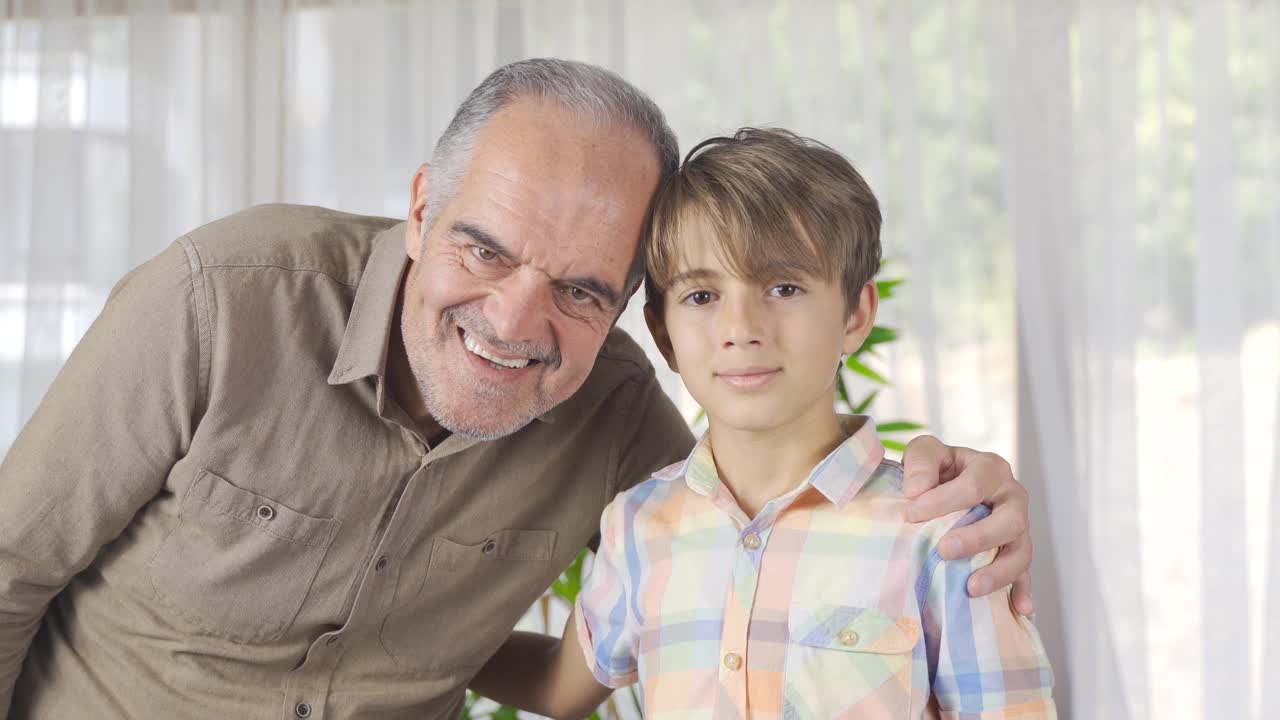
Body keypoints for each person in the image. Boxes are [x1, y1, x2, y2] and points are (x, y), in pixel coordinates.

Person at [0, 60, 1034, 720]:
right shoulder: (221, 302)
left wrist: (970, 495)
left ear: (633, 309)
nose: (511, 321)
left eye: (582, 290)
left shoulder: (627, 425)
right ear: (419, 209)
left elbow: (749, 529)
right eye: (483, 249)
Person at [469, 128, 1055, 718]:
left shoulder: (942, 530)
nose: (742, 327)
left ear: (856, 315)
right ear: (664, 334)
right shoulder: (640, 525)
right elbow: (559, 688)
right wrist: (395, 640)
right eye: (702, 296)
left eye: (784, 287)